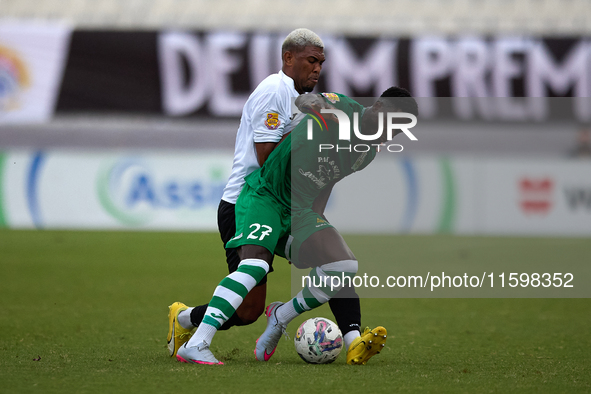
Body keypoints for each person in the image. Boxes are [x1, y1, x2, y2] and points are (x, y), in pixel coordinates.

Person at [175, 87, 419, 365]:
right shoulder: (343, 108)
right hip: (267, 196)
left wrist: (311, 228)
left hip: (300, 210)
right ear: (378, 108)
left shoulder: (367, 153)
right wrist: (323, 113)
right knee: (254, 270)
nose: (388, 136)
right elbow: (306, 99)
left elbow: (328, 180)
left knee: (343, 266)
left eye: (397, 133)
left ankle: (281, 317)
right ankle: (197, 342)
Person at [168, 28, 335, 357]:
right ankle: (187, 322)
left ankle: (353, 334)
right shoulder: (276, 91)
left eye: (321, 63)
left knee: (332, 261)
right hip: (246, 204)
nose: (317, 68)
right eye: (311, 60)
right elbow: (266, 158)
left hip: (275, 206)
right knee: (247, 310)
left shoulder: (298, 99)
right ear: (288, 58)